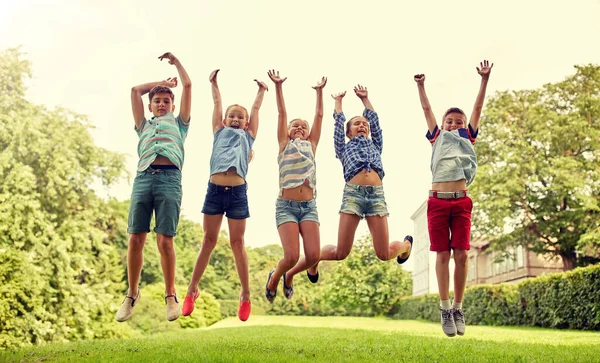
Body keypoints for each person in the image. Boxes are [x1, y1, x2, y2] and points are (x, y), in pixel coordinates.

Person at [414, 60, 493, 337]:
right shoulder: (437, 137)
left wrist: (484, 80)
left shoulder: (467, 137)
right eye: (449, 121)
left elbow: (478, 108)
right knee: (442, 253)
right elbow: (426, 109)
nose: (453, 124)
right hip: (437, 200)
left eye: (457, 121)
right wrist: (421, 86)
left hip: (461, 201)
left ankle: (459, 307)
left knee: (461, 254)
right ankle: (445, 308)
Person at [182, 69, 268, 322]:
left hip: (238, 192)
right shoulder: (218, 132)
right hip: (215, 191)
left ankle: (245, 294)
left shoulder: (249, 136)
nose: (235, 118)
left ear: (246, 123)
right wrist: (213, 83)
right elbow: (217, 103)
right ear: (224, 120)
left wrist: (261, 92)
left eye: (240, 117)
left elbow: (256, 111)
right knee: (208, 241)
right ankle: (191, 290)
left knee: (237, 243)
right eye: (231, 115)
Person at [306, 85, 413, 284]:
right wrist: (338, 101)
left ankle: (406, 246)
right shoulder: (343, 147)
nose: (362, 125)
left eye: (364, 124)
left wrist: (365, 99)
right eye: (356, 124)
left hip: (376, 196)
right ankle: (315, 258)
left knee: (383, 253)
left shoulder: (375, 144)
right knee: (341, 252)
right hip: (353, 195)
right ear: (348, 133)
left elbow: (375, 120)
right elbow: (338, 124)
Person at [116, 52, 192, 322]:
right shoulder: (143, 126)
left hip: (170, 179)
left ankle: (170, 295)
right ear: (151, 107)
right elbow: (136, 91)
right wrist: (161, 82)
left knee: (165, 241)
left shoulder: (180, 124)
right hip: (144, 178)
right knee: (136, 238)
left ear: (172, 106)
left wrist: (177, 68)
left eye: (166, 101)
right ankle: (131, 293)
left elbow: (190, 86)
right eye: (157, 101)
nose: (161, 104)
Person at [264, 70, 326, 301]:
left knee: (312, 256)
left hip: (309, 207)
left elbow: (319, 115)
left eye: (304, 126)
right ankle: (275, 277)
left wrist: (319, 92)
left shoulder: (312, 145)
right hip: (286, 206)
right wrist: (278, 87)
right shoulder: (284, 144)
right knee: (291, 255)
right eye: (295, 126)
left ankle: (289, 276)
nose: (300, 128)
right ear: (288, 132)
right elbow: (282, 112)